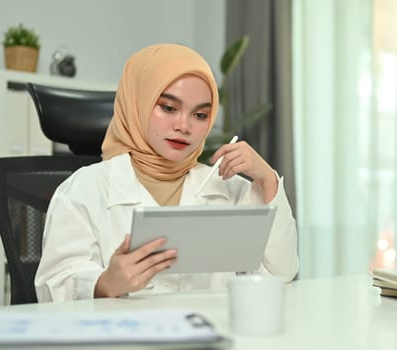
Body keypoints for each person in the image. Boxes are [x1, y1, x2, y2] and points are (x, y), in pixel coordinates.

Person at [34, 43, 299, 302]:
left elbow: (280, 275)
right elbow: (53, 286)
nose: (184, 126)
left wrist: (267, 179)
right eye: (169, 108)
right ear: (137, 104)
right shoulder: (83, 189)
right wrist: (105, 284)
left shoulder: (229, 187)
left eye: (200, 115)